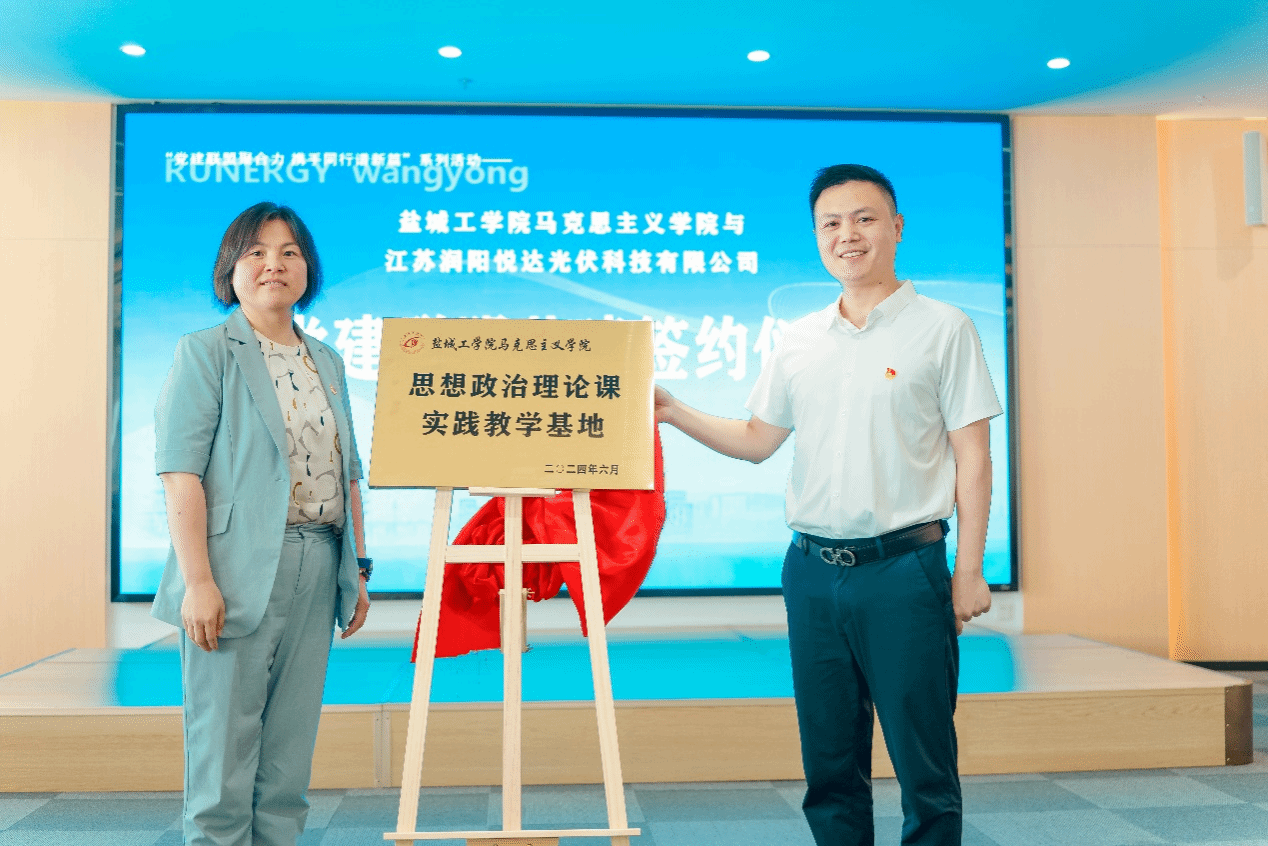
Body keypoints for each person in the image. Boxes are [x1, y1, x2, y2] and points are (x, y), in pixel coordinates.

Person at [655, 164, 1001, 846]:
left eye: (865, 219)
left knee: (924, 767)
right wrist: (673, 410)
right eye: (831, 223)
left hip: (905, 571)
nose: (849, 235)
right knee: (829, 764)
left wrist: (969, 570)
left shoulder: (944, 328)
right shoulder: (799, 338)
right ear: (817, 237)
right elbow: (757, 441)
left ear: (896, 228)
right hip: (811, 571)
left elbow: (974, 458)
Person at [150, 202, 372, 846]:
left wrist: (358, 568)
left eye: (290, 252)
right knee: (222, 753)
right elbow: (180, 474)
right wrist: (198, 581)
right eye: (256, 251)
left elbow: (347, 473)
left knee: (288, 755)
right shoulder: (206, 352)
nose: (274, 264)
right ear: (231, 269)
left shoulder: (326, 360)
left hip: (319, 560)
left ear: (308, 270)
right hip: (233, 569)